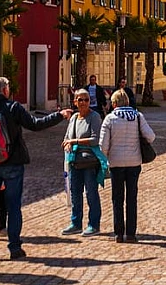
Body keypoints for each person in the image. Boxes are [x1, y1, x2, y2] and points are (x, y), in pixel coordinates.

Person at [0, 77, 72, 261]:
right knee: (13, 207)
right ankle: (15, 248)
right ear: (4, 90)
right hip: (12, 162)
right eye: (8, 87)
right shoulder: (12, 107)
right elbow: (35, 124)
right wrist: (59, 115)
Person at [100, 89, 156, 243]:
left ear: (114, 103)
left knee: (117, 198)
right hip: (134, 162)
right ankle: (131, 234)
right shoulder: (138, 117)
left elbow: (103, 145)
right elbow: (151, 136)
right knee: (132, 198)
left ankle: (118, 233)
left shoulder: (109, 119)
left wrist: (107, 156)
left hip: (116, 163)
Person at [62, 89, 104, 236]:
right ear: (75, 102)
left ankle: (94, 224)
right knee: (75, 193)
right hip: (74, 161)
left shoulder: (95, 117)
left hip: (90, 161)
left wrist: (74, 141)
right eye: (80, 100)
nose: (83, 103)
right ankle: (76, 223)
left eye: (86, 100)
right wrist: (67, 144)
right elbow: (67, 137)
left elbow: (95, 139)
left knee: (91, 193)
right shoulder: (73, 118)